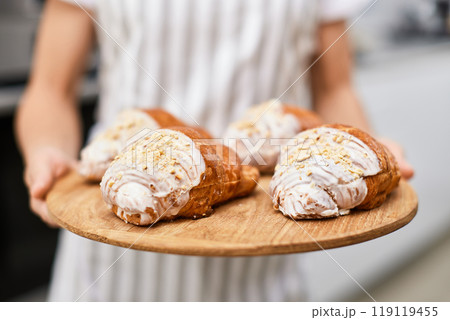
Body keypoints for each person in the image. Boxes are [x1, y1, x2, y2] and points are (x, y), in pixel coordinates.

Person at [15, 0, 414, 301]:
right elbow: (50, 89)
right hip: (112, 254)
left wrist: (362, 152)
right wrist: (47, 150)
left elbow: (335, 88)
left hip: (261, 251)